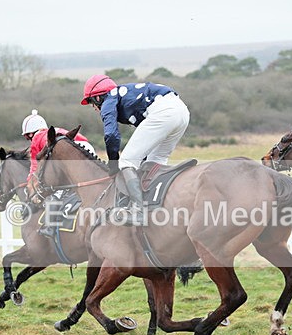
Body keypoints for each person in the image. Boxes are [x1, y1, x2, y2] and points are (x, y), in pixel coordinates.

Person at [80, 75, 190, 225]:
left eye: (92, 101)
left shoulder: (109, 100)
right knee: (155, 161)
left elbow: (111, 135)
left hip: (163, 111)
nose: (93, 107)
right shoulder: (124, 95)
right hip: (182, 112)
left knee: (126, 161)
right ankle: (158, 202)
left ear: (99, 98)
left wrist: (113, 164)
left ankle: (138, 211)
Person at [21, 109, 94, 237]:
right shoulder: (56, 131)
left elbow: (34, 166)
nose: (29, 140)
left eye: (27, 136)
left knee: (56, 191)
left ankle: (49, 227)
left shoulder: (37, 138)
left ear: (31, 134)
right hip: (86, 146)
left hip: (69, 151)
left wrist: (30, 181)